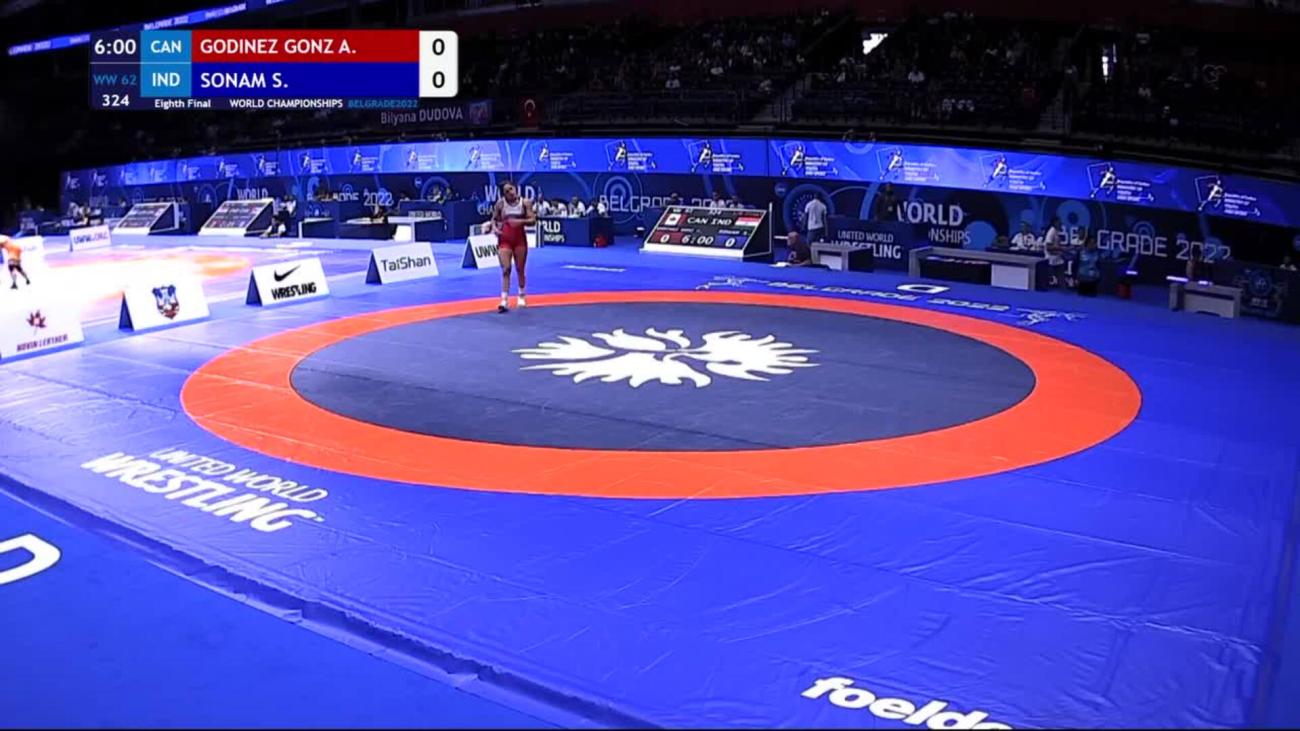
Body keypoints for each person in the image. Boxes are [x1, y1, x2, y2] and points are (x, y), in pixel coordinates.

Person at [480, 182, 536, 313]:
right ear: (503, 194)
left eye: (511, 189)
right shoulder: (500, 204)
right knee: (506, 269)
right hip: (505, 240)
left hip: (520, 240)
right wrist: (494, 228)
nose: (511, 192)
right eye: (507, 191)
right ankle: (504, 300)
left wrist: (519, 221)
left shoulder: (525, 203)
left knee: (520, 269)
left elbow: (533, 220)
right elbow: (494, 219)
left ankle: (521, 294)